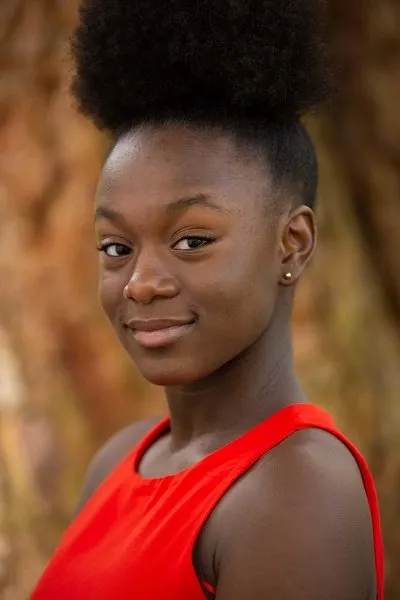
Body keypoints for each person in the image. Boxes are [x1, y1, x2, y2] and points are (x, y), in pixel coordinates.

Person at [31, 0, 384, 599]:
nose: (141, 282)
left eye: (192, 240)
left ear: (292, 244)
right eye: (116, 247)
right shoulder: (121, 458)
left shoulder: (296, 489)